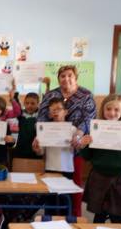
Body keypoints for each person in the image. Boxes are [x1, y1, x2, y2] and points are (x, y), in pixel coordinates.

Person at [75, 94, 121, 224]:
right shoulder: (95, 129)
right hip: (98, 177)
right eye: (108, 109)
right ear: (103, 110)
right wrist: (84, 145)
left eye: (116, 109)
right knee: (99, 216)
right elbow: (87, 157)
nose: (112, 113)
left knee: (116, 218)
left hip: (119, 179)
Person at [37, 65, 96, 217]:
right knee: (52, 187)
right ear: (58, 79)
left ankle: (73, 216)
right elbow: (42, 116)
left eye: (70, 75)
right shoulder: (51, 94)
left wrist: (79, 134)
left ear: (76, 77)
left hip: (75, 144)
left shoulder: (86, 95)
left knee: (72, 185)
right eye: (62, 76)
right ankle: (51, 217)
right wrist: (43, 135)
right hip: (53, 147)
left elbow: (89, 118)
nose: (66, 78)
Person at [32, 96, 79, 175]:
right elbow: (41, 152)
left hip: (67, 168)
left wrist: (77, 143)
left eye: (59, 109)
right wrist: (37, 149)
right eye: (52, 110)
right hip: (50, 168)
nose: (56, 112)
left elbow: (78, 149)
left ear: (65, 112)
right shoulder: (45, 129)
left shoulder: (73, 129)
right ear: (50, 114)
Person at [12, 91, 40, 160]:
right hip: (20, 151)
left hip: (35, 151)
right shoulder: (20, 114)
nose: (29, 105)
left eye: (33, 103)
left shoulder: (41, 116)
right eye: (27, 103)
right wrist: (13, 97)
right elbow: (16, 105)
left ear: (38, 104)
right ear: (24, 103)